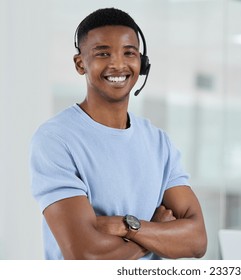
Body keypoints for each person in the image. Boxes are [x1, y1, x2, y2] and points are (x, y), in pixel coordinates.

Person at [29, 7, 207, 260]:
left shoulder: (159, 143)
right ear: (81, 64)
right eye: (103, 53)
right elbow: (86, 256)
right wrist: (154, 230)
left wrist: (125, 225)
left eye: (129, 53)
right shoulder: (56, 139)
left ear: (142, 63)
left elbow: (197, 240)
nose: (118, 64)